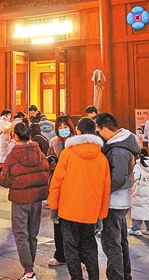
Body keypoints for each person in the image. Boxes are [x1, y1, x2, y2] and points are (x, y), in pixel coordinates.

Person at [48, 117, 110, 280]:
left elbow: (56, 183)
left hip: (68, 209)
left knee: (70, 247)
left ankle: (77, 278)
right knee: (89, 245)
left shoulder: (67, 154)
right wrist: (101, 215)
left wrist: (53, 207)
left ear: (79, 132)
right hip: (91, 210)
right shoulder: (102, 158)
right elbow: (106, 190)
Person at [0, 122, 50, 280]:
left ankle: (29, 271)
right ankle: (30, 266)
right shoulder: (39, 151)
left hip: (20, 200)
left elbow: (4, 180)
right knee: (32, 235)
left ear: (15, 136)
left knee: (21, 234)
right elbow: (46, 172)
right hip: (37, 199)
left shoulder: (13, 154)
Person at [95, 112, 140, 280]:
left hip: (115, 202)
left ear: (105, 129)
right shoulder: (123, 143)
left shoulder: (119, 150)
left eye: (99, 130)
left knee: (111, 243)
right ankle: (124, 274)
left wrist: (103, 191)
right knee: (120, 241)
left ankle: (116, 276)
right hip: (121, 201)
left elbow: (118, 178)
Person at [46, 115, 74, 267]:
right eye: (60, 128)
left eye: (65, 127)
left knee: (75, 222)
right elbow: (47, 160)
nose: (63, 130)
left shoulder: (77, 142)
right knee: (57, 221)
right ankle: (60, 254)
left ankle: (78, 255)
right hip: (58, 184)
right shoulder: (54, 142)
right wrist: (52, 162)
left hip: (74, 184)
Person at [128, 148, 149, 236]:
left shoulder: (138, 166)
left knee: (138, 208)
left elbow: (134, 178)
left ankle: (135, 228)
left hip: (140, 192)